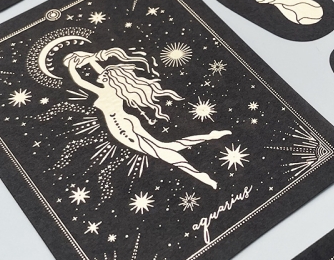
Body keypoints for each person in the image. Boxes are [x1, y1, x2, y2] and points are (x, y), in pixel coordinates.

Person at [62, 48, 230, 189]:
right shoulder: (114, 87)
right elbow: (102, 72)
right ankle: (209, 137)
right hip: (128, 120)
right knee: (166, 147)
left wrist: (72, 65)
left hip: (119, 126)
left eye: (102, 75)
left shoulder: (103, 91)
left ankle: (202, 176)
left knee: (161, 152)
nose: (99, 76)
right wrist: (91, 58)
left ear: (107, 78)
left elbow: (80, 81)